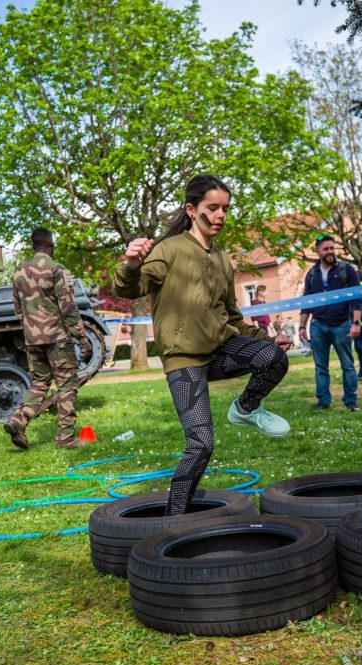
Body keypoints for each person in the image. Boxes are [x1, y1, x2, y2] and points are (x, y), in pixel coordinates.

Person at [116, 174, 292, 515]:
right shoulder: (169, 249)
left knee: (272, 358)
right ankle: (173, 518)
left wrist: (270, 339)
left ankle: (245, 410)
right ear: (192, 209)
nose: (221, 215)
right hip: (184, 360)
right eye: (213, 207)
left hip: (219, 351)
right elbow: (129, 289)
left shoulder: (223, 259)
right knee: (200, 445)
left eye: (225, 208)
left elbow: (233, 317)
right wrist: (131, 264)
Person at [4, 228, 92, 450]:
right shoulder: (57, 270)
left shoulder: (18, 274)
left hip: (32, 340)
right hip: (58, 339)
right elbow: (69, 308)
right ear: (51, 244)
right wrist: (82, 339)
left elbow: (18, 310)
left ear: (33, 245)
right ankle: (66, 438)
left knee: (40, 383)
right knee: (66, 385)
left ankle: (18, 419)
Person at [298, 235, 362, 411]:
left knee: (348, 365)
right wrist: (302, 326)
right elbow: (307, 302)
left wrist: (356, 322)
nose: (330, 252)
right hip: (318, 324)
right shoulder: (312, 274)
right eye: (326, 249)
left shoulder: (346, 269)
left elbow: (358, 298)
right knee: (320, 367)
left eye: (332, 248)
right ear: (318, 251)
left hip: (341, 324)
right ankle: (323, 401)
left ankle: (351, 401)